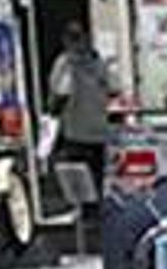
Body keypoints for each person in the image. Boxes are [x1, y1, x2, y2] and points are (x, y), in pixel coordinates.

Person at [48, 20, 116, 195]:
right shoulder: (98, 62)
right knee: (97, 182)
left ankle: (85, 210)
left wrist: (52, 112)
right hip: (99, 132)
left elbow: (61, 93)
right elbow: (112, 89)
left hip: (76, 133)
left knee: (78, 186)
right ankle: (96, 208)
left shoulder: (66, 63)